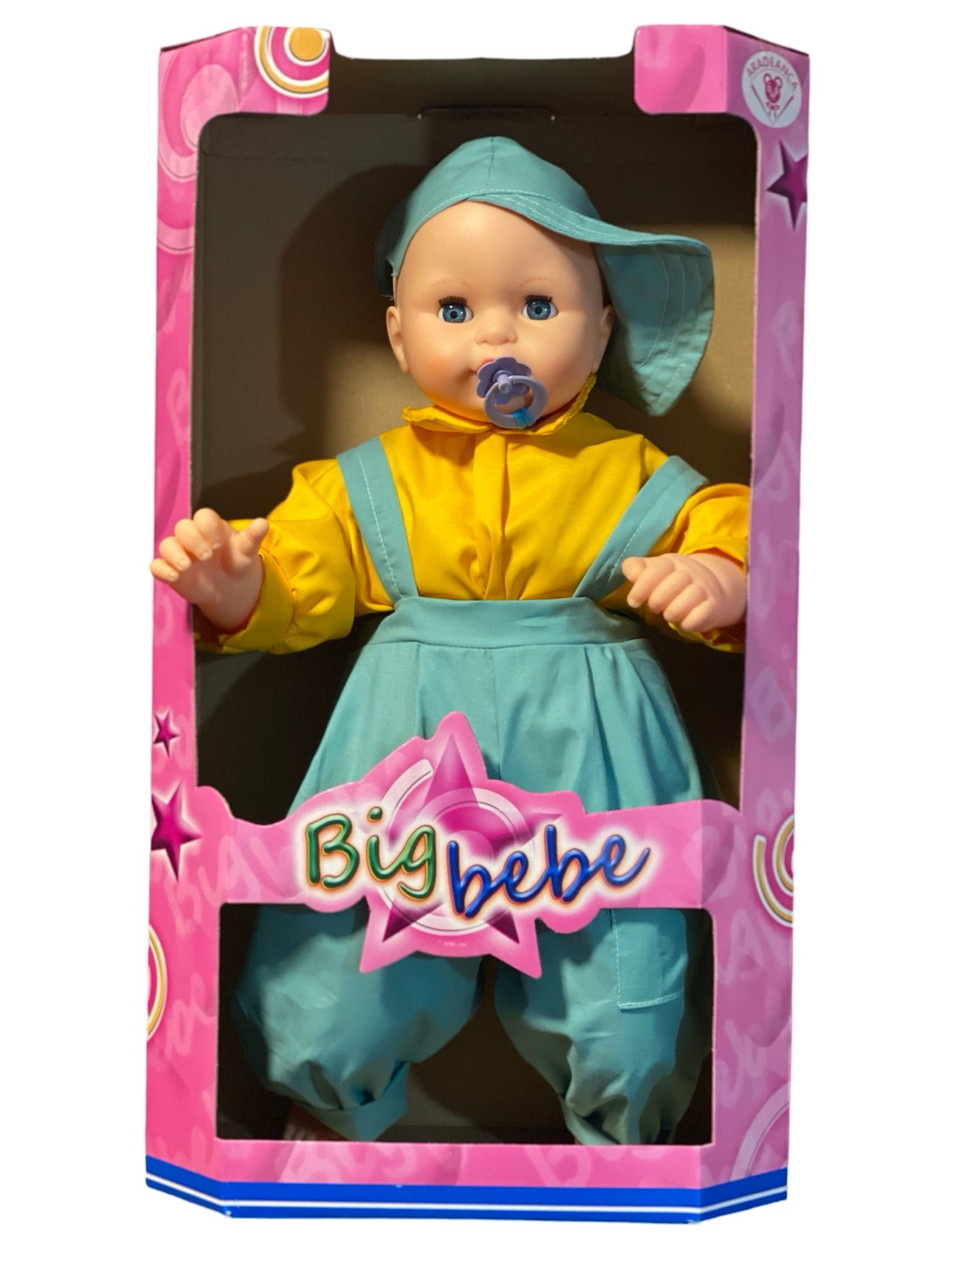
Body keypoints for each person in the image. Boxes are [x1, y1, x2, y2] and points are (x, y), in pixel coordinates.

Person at [151, 137, 749, 1145]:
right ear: (398, 334)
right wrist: (237, 583)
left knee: (626, 979)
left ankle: (626, 1149)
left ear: (603, 328)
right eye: (455, 309)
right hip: (404, 747)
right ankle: (325, 1125)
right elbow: (307, 560)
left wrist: (722, 576)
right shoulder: (372, 481)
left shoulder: (632, 477)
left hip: (596, 754)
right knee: (342, 960)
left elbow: (733, 526)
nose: (497, 335)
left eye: (539, 305)